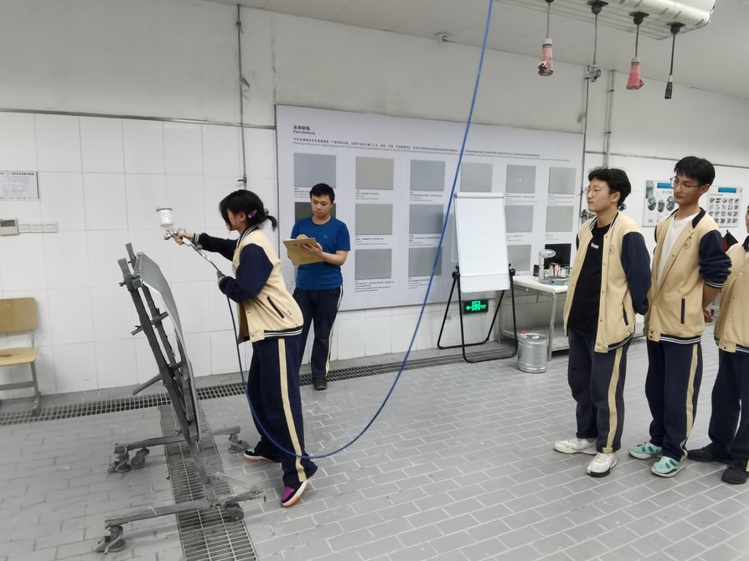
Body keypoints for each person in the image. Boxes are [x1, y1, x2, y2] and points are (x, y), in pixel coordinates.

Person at [175, 190, 317, 507]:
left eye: (227, 214)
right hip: (265, 330)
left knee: (282, 402)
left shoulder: (254, 246)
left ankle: (299, 469)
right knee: (258, 392)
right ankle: (272, 445)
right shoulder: (247, 239)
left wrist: (222, 283)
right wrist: (196, 238)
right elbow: (230, 248)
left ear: (240, 215)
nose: (226, 219)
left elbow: (245, 290)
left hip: (279, 331)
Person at [630, 156, 731, 478]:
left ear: (703, 189)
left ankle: (675, 451)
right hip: (657, 321)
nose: (678, 188)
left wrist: (697, 304)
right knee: (655, 388)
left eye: (687, 184)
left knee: (678, 394)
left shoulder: (706, 229)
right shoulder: (665, 223)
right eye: (676, 181)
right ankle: (658, 440)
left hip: (683, 326)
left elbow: (718, 275)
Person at [554, 168, 651, 477]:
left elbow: (641, 278)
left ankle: (607, 449)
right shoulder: (586, 229)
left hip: (609, 328)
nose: (590, 193)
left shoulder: (628, 231)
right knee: (581, 385)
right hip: (579, 323)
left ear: (615, 196)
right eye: (589, 188)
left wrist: (632, 314)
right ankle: (586, 436)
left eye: (597, 189)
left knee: (604, 391)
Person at [687, 206, 749, 485]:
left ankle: (743, 459)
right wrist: (704, 305)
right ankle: (721, 445)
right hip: (729, 339)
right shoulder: (736, 251)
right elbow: (721, 285)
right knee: (724, 397)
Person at [290, 183, 350, 391]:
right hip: (304, 286)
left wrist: (320, 254)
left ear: (331, 204)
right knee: (297, 332)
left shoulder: (340, 227)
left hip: (329, 287)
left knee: (323, 334)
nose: (318, 207)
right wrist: (298, 244)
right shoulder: (300, 226)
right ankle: (291, 375)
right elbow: (292, 256)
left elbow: (341, 259)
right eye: (315, 202)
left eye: (323, 203)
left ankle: (319, 375)